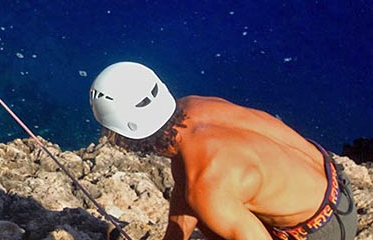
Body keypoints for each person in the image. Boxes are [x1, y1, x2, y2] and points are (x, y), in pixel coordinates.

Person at [89, 61, 357, 240]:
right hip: (339, 190)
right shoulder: (195, 108)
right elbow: (187, 187)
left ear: (128, 133)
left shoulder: (206, 185)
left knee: (211, 219)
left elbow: (200, 190)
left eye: (111, 133)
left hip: (322, 232)